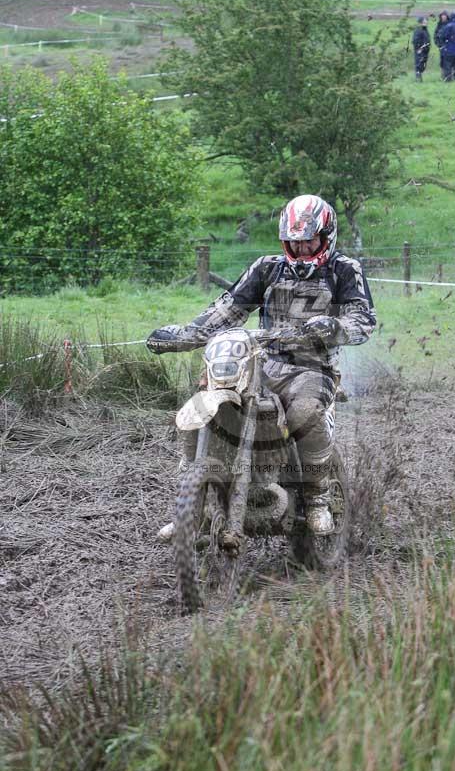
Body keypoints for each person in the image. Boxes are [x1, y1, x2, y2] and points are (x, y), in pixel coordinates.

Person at [147, 195, 376, 536]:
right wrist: (183, 336)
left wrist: (335, 327)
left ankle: (317, 500)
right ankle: (192, 503)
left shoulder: (344, 270)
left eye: (308, 241)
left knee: (304, 413)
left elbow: (363, 319)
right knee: (208, 403)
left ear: (326, 237)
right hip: (261, 362)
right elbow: (228, 309)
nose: (300, 250)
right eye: (293, 243)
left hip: (312, 369)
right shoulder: (267, 267)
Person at [441, 12, 455, 82]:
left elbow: (443, 37)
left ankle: (448, 79)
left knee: (447, 65)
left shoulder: (448, 26)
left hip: (448, 50)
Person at [413, 17, 431, 81]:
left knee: (423, 65)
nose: (426, 23)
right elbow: (415, 40)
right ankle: (418, 79)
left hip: (425, 50)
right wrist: (419, 48)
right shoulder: (418, 30)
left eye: (426, 22)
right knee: (419, 64)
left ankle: (419, 77)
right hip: (420, 50)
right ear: (420, 23)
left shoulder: (425, 30)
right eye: (424, 22)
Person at [434, 11, 449, 80]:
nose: (443, 17)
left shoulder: (450, 24)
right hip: (441, 46)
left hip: (449, 46)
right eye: (442, 16)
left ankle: (448, 75)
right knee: (442, 60)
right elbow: (435, 35)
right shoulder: (439, 25)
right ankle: (443, 75)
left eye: (444, 16)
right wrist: (438, 44)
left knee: (448, 61)